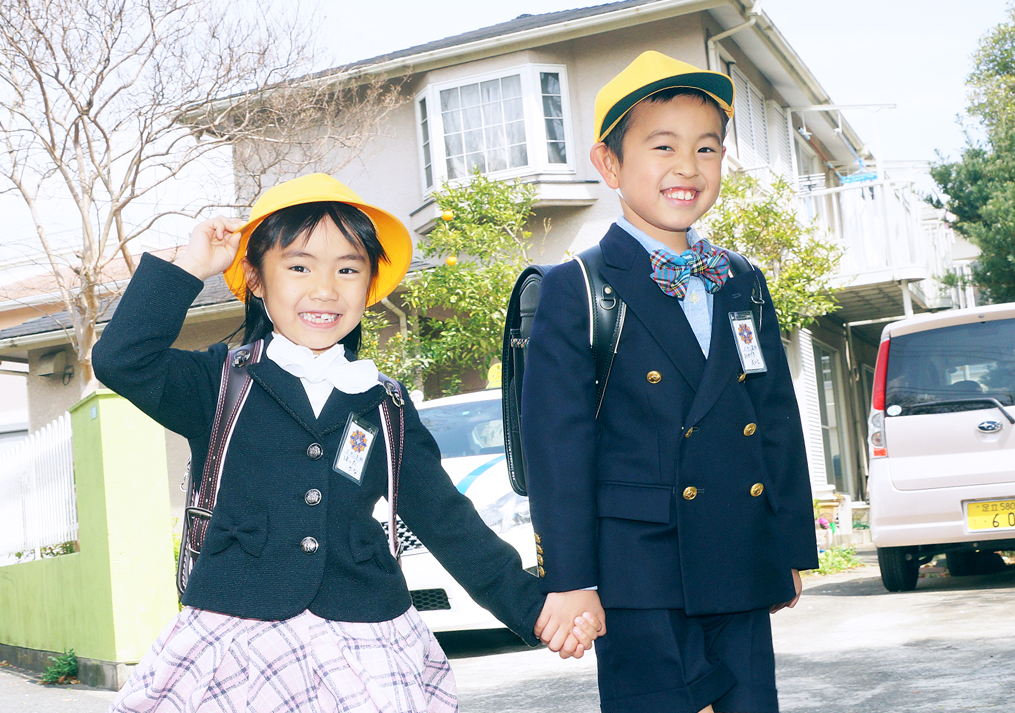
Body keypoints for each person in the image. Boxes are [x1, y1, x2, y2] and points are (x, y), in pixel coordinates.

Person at [93, 173, 601, 713]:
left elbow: (446, 521)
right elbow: (121, 359)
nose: (325, 289)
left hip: (366, 636)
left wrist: (536, 611)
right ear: (256, 281)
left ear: (370, 285)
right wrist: (191, 268)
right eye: (298, 266)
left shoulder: (384, 402)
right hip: (239, 635)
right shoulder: (218, 383)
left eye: (348, 269)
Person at [521, 51, 819, 713]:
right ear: (609, 164)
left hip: (737, 552)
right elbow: (557, 447)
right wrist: (570, 580)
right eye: (662, 146)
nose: (687, 167)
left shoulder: (740, 279)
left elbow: (771, 416)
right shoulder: (577, 287)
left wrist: (789, 544)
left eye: (706, 148)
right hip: (638, 574)